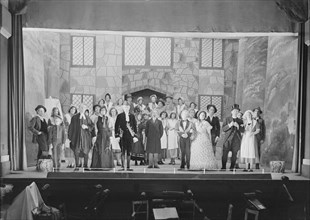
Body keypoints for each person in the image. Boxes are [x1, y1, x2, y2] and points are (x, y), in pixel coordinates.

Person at [68, 103, 94, 170]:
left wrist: (87, 127)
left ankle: (85, 166)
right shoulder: (74, 117)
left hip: (85, 138)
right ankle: (77, 166)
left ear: (85, 109)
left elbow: (92, 126)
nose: (82, 109)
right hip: (77, 137)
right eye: (80, 108)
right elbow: (71, 127)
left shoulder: (87, 117)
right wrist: (70, 137)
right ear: (79, 109)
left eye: (83, 108)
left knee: (86, 152)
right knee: (76, 151)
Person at [221, 104, 244, 171]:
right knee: (225, 153)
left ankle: (232, 167)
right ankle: (223, 167)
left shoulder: (240, 121)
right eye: (234, 111)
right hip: (227, 139)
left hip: (236, 140)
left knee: (235, 154)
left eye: (237, 111)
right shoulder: (227, 119)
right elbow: (223, 129)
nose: (235, 112)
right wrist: (229, 125)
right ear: (231, 112)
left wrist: (238, 127)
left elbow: (243, 130)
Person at [115, 103, 137, 171]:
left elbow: (134, 126)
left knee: (129, 151)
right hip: (122, 135)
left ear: (129, 108)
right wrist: (117, 135)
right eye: (125, 107)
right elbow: (116, 126)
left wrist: (135, 136)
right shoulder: (120, 116)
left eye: (127, 107)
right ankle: (122, 166)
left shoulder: (132, 116)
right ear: (123, 108)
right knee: (122, 150)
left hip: (130, 136)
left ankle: (128, 166)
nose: (126, 108)